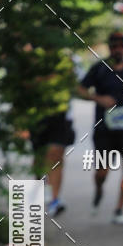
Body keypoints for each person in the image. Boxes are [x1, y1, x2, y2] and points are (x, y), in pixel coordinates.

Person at [77, 31, 123, 224]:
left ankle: (119, 209)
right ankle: (99, 189)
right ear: (110, 47)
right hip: (103, 129)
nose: (118, 49)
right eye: (114, 46)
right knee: (102, 172)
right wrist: (98, 98)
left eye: (121, 46)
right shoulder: (99, 69)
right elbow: (80, 89)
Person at [28, 48, 76, 217]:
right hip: (38, 115)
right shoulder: (33, 57)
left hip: (61, 116)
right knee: (40, 157)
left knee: (56, 153)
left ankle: (55, 199)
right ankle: (40, 188)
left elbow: (75, 84)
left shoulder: (67, 58)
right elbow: (28, 84)